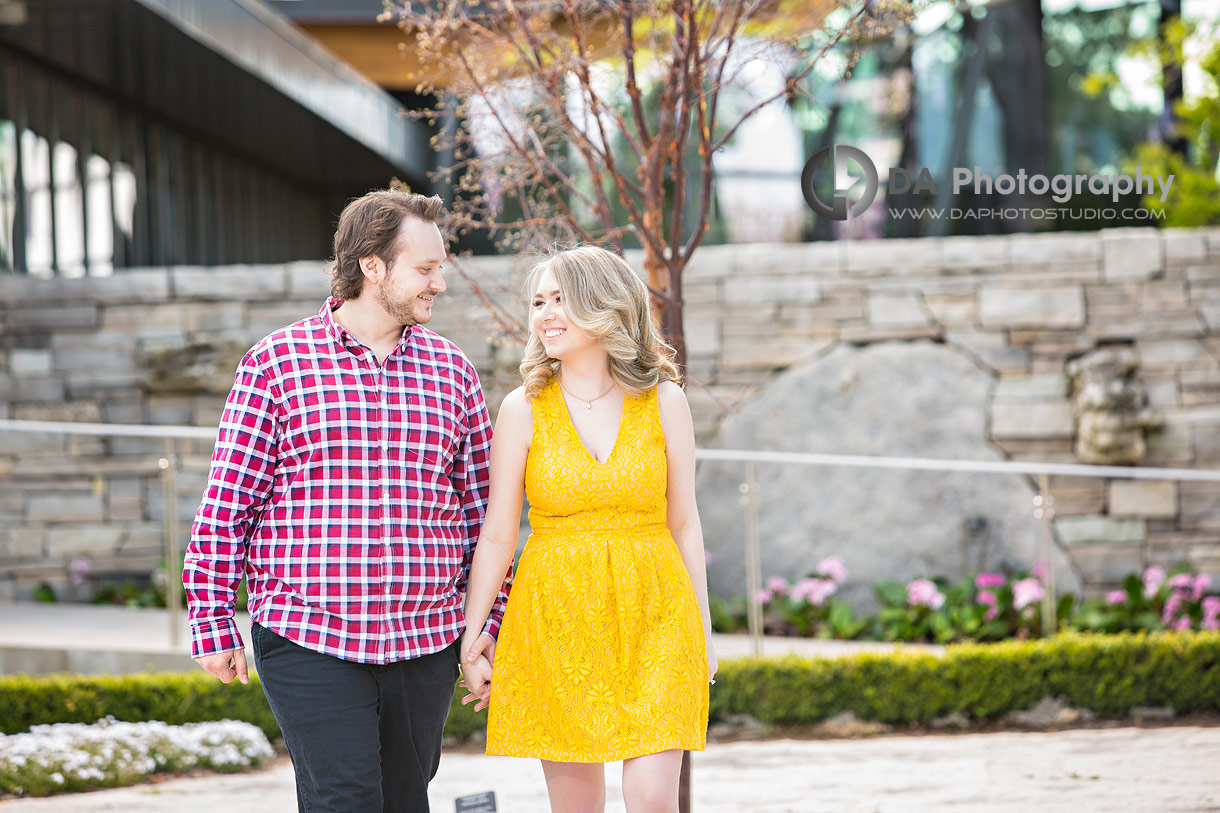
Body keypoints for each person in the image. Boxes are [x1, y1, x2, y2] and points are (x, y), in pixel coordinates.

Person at [183, 189, 509, 813]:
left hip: (425, 639)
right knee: (346, 800)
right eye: (426, 268)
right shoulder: (276, 365)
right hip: (310, 633)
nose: (440, 283)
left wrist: (485, 626)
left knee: (406, 800)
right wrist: (212, 618)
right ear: (373, 266)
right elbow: (229, 503)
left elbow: (482, 518)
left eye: (441, 267)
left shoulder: (453, 372)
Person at [459, 245, 717, 813]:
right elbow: (499, 533)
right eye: (538, 302)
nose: (544, 314)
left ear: (605, 308)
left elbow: (685, 523)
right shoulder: (522, 409)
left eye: (560, 301)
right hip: (557, 619)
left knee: (652, 799)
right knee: (576, 806)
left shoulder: (664, 400)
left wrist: (703, 631)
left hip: (657, 614)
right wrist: (472, 638)